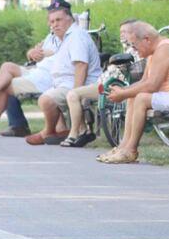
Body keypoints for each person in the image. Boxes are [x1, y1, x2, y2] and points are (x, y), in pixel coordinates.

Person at [0, 0, 70, 139]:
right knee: (7, 67)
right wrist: (32, 53)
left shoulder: (70, 35)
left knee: (5, 85)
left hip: (46, 77)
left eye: (58, 18)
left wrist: (47, 54)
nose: (54, 21)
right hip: (37, 70)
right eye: (51, 16)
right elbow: (35, 53)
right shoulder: (51, 35)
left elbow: (63, 56)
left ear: (67, 16)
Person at [96, 21, 169, 163]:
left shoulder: (164, 49)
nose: (133, 49)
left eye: (134, 45)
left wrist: (123, 93)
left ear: (146, 39)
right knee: (133, 97)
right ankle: (123, 148)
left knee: (141, 98)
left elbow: (152, 85)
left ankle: (131, 150)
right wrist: (123, 91)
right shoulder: (153, 52)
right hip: (168, 96)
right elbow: (143, 82)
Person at [24, 3, 102, 146]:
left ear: (70, 19)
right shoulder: (64, 38)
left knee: (46, 100)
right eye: (52, 22)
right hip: (64, 83)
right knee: (48, 93)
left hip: (81, 84)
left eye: (58, 20)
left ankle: (49, 131)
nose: (54, 24)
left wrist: (76, 92)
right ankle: (73, 130)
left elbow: (81, 66)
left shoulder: (76, 36)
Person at [59, 18, 140, 149]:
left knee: (74, 94)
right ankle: (84, 130)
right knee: (75, 94)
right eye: (121, 32)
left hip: (117, 86)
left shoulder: (138, 50)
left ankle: (74, 133)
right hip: (104, 84)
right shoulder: (127, 49)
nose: (122, 35)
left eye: (125, 31)